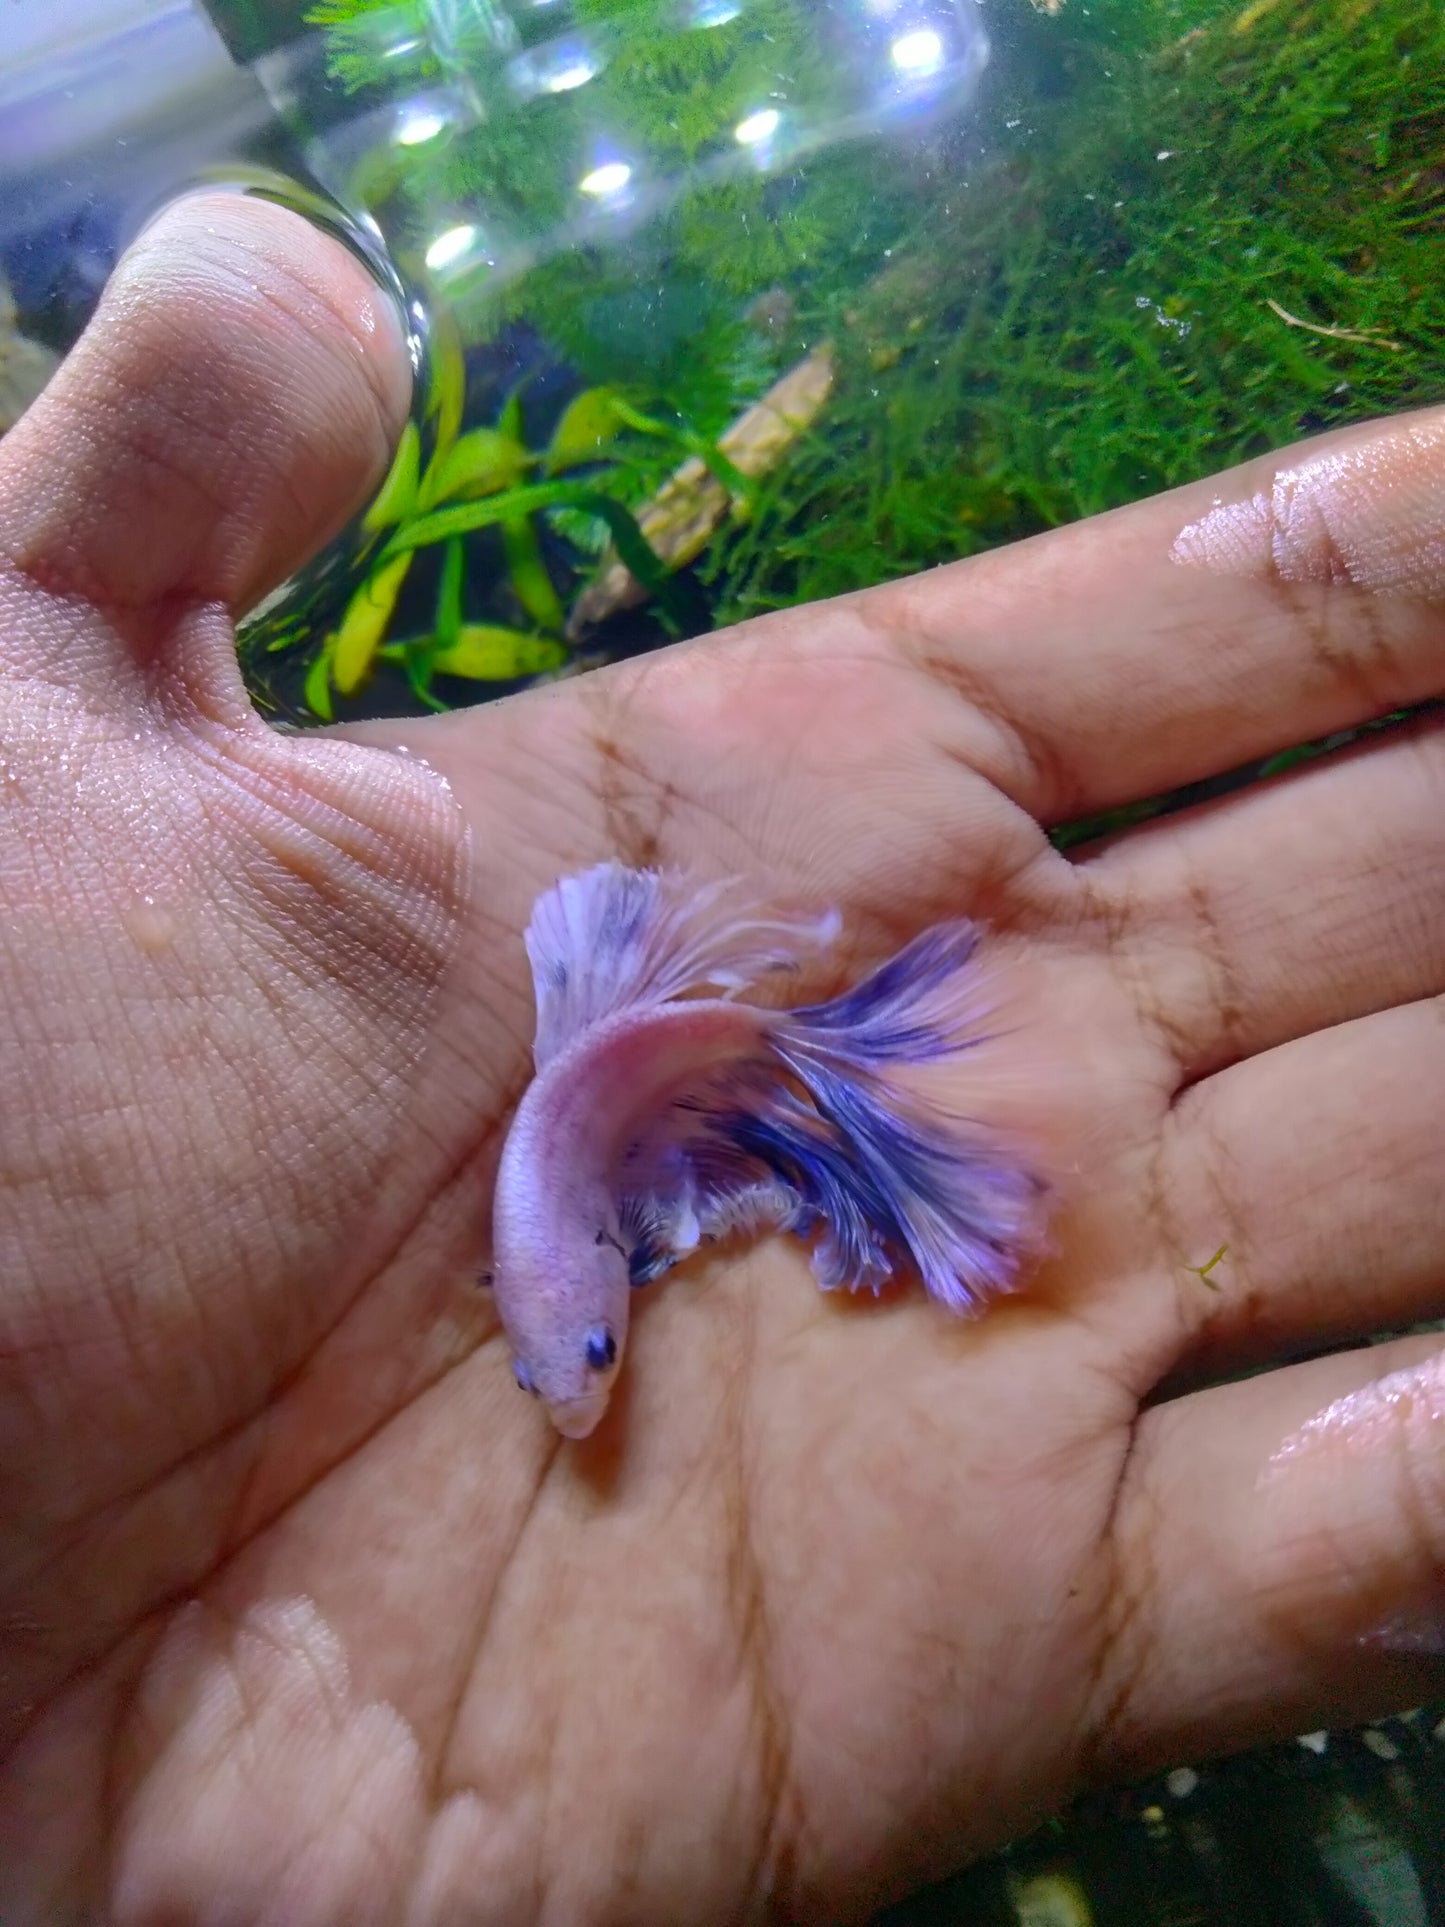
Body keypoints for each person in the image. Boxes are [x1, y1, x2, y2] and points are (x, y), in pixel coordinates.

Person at [0, 193, 1440, 1925]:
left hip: (637, 1094)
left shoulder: (568, 1238)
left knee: (675, 1103)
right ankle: (834, 1117)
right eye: (576, 1360)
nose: (584, 1377)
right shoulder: (554, 1285)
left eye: (584, 1352)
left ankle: (831, 1105)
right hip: (628, 1114)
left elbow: (588, 1221)